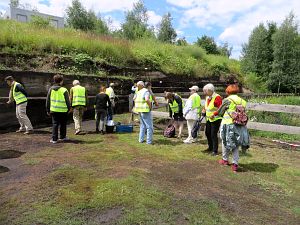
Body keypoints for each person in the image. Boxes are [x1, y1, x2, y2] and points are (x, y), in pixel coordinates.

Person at [216, 84, 248, 173]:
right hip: (239, 126)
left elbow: (220, 112)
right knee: (236, 144)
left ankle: (225, 160)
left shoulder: (227, 100)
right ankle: (235, 164)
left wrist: (213, 114)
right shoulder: (243, 101)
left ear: (228, 91)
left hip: (227, 124)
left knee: (225, 141)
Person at [46, 74, 71, 144]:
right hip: (63, 110)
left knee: (55, 124)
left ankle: (54, 139)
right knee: (63, 124)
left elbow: (48, 100)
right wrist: (69, 109)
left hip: (54, 110)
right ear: (61, 81)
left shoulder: (50, 89)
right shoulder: (64, 90)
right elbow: (67, 101)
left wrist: (48, 110)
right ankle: (63, 137)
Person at [202, 83, 223, 156]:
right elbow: (206, 106)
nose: (204, 92)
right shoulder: (208, 97)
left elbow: (221, 109)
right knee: (207, 133)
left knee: (213, 134)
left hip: (216, 119)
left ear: (210, 90)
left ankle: (215, 150)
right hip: (208, 118)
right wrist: (204, 110)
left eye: (205, 91)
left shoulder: (217, 97)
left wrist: (214, 114)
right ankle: (210, 147)